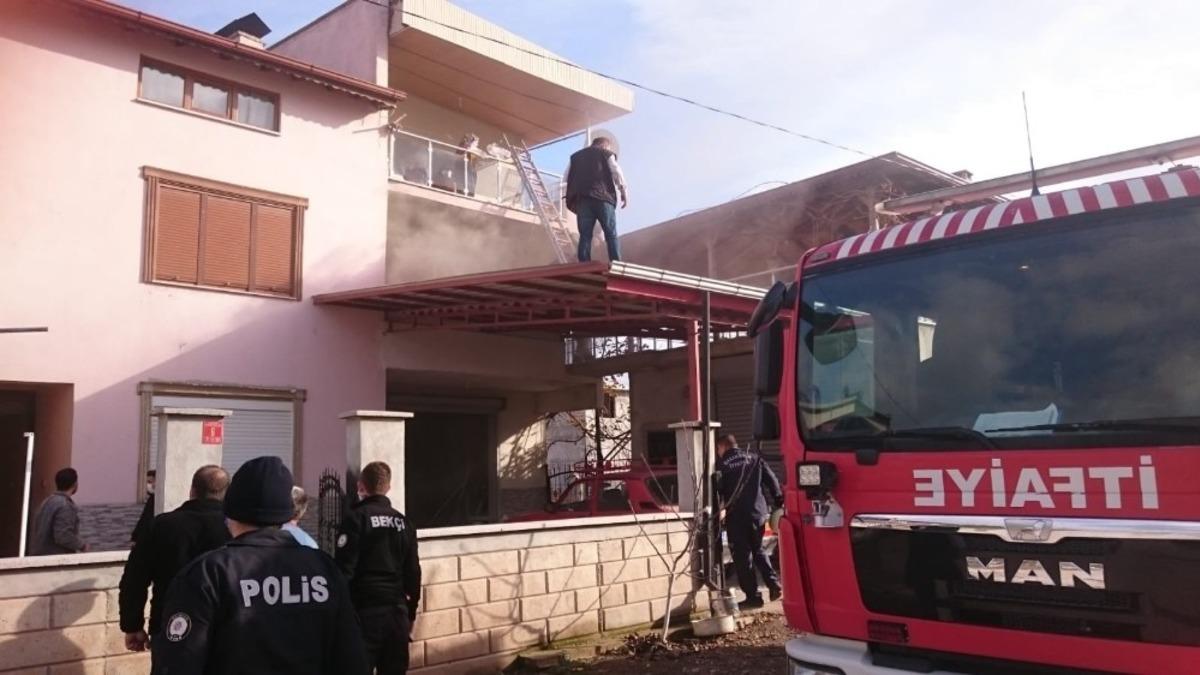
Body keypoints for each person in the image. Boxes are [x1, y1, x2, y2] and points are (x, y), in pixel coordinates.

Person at [151, 456, 367, 675]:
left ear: (231, 510)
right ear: (287, 513)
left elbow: (179, 662)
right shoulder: (324, 569)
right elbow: (352, 658)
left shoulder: (209, 573)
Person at [119, 465, 230, 652]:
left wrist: (132, 625)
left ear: (192, 490)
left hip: (170, 626)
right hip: (223, 630)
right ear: (226, 493)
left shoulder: (162, 525)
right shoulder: (235, 529)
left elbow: (134, 579)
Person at [336, 461, 421, 675]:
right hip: (396, 613)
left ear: (361, 486)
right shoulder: (404, 523)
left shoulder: (355, 519)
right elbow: (413, 573)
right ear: (388, 488)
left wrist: (340, 615)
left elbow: (344, 571)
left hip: (364, 614)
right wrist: (411, 613)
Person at [714, 434, 783, 610]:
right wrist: (779, 502)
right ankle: (774, 585)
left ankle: (753, 597)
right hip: (759, 513)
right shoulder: (755, 458)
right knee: (759, 549)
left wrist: (718, 509)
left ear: (722, 447)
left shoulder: (723, 465)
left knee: (743, 557)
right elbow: (772, 481)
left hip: (736, 516)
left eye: (718, 449)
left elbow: (717, 490)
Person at [564, 137, 628, 263]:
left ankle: (584, 263)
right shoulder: (606, 154)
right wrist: (623, 192)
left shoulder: (575, 157)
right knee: (610, 233)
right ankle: (615, 262)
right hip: (603, 198)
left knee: (585, 235)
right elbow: (616, 172)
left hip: (583, 200)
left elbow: (566, 177)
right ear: (605, 145)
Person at [30, 468, 87, 555]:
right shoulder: (65, 506)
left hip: (41, 557)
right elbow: (63, 535)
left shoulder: (47, 502)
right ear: (75, 484)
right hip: (56, 559)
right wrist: (82, 545)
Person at [131, 469, 156, 544]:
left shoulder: (155, 499)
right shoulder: (151, 499)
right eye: (147, 482)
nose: (148, 485)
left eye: (150, 482)